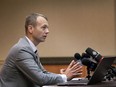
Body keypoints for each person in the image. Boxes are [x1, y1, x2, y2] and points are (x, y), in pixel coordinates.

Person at [0, 13, 82, 87]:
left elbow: (43, 73)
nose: (47, 31)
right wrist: (65, 77)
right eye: (44, 27)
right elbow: (40, 79)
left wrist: (61, 75)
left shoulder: (29, 47)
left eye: (47, 28)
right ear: (30, 29)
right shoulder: (22, 49)